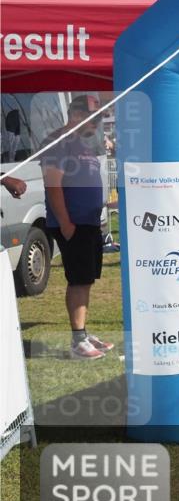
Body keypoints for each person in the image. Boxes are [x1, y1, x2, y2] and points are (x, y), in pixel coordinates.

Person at [41, 95, 113, 360]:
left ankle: (83, 332)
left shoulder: (81, 144)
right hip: (74, 223)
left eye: (100, 118)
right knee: (79, 280)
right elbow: (53, 184)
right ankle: (77, 340)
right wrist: (66, 224)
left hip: (89, 222)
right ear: (76, 114)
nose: (97, 123)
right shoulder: (58, 142)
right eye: (94, 117)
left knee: (86, 280)